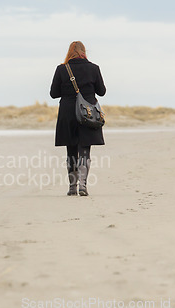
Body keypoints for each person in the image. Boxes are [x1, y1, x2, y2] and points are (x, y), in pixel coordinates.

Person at [50, 41, 106, 196]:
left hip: (68, 112)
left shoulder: (62, 69)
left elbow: (53, 93)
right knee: (85, 149)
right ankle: (83, 185)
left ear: (69, 52)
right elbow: (102, 91)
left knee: (71, 150)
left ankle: (72, 187)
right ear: (84, 52)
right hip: (87, 112)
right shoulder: (94, 68)